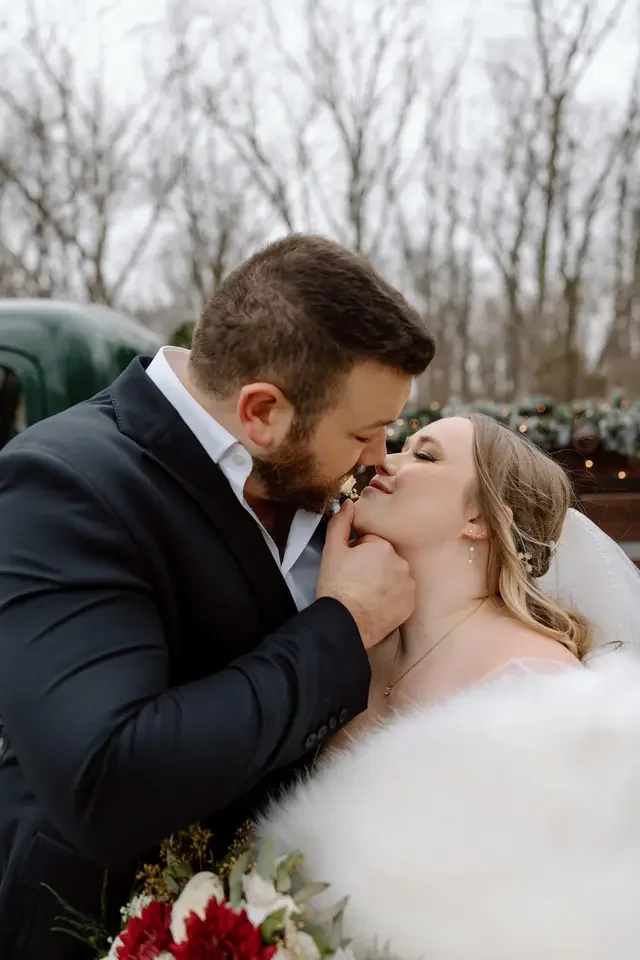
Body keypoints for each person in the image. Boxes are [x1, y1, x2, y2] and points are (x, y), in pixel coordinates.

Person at [0, 234, 434, 960]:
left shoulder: (316, 477)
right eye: (364, 433)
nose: (379, 459)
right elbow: (107, 780)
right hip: (93, 930)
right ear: (261, 411)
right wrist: (343, 623)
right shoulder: (61, 486)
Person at [262, 413, 640, 959]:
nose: (384, 461)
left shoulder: (535, 688)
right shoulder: (351, 649)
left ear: (481, 519)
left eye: (426, 455)